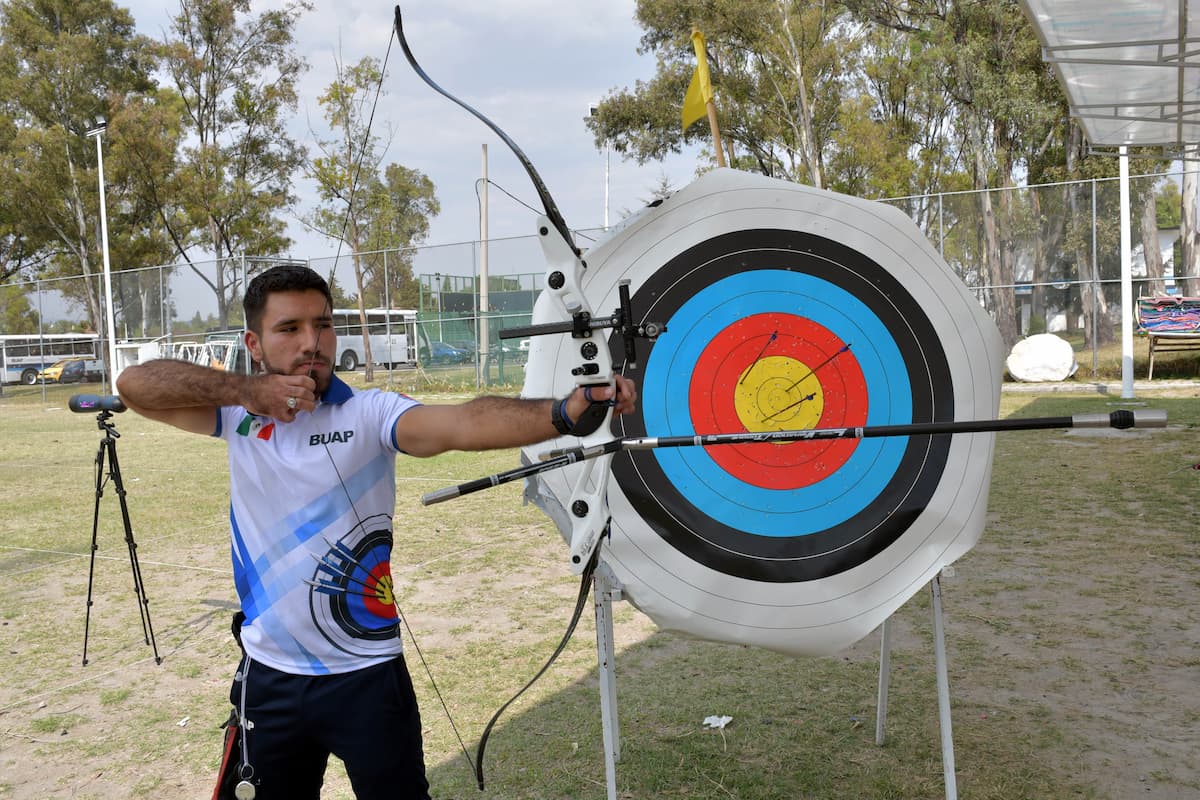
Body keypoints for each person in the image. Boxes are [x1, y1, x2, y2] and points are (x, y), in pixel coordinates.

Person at [116, 264, 637, 800]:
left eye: (322, 325)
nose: (311, 343)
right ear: (254, 342)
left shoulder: (370, 412)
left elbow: (461, 423)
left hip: (367, 677)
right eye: (289, 329)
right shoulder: (235, 417)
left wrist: (565, 412)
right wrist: (248, 390)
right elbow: (134, 386)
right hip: (270, 675)